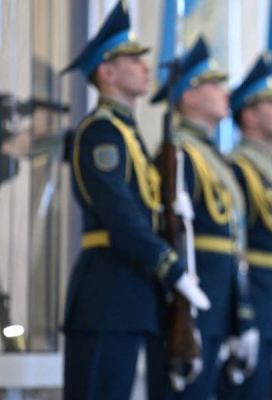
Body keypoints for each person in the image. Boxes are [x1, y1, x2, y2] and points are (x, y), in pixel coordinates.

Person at [60, 1, 210, 399]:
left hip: (132, 293)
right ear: (107, 72)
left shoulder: (129, 134)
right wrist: (170, 266)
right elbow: (120, 214)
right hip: (106, 293)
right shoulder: (99, 134)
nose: (145, 67)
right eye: (133, 60)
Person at [151, 37, 256, 399]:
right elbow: (174, 234)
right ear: (190, 96)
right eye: (212, 84)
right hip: (191, 306)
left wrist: (238, 314)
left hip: (216, 305)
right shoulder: (179, 152)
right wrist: (182, 311)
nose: (224, 92)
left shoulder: (210, 155)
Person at [217, 52, 272, 400]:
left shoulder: (267, 171)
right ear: (248, 115)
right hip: (246, 307)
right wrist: (242, 316)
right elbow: (237, 250)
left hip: (268, 305)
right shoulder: (236, 170)